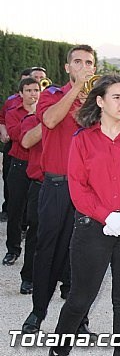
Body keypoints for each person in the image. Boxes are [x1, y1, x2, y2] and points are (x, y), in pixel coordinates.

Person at [48, 74, 120, 356]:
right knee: (80, 299)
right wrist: (106, 216)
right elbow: (78, 187)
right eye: (116, 97)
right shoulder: (82, 140)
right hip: (93, 227)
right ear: (100, 101)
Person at [22, 45, 97, 336]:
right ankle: (37, 312)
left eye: (88, 62)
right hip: (56, 185)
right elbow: (51, 120)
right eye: (77, 62)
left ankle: (79, 319)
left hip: (88, 190)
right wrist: (76, 89)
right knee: (47, 252)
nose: (83, 66)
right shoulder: (52, 94)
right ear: (68, 67)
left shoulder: (98, 99)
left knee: (84, 256)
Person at [3, 77, 40, 266]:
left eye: (36, 90)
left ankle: (34, 255)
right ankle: (12, 249)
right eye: (28, 90)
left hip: (38, 167)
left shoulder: (46, 113)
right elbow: (17, 136)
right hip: (19, 164)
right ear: (20, 94)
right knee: (15, 210)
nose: (33, 94)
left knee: (35, 215)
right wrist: (32, 115)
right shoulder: (12, 112)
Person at [18, 105, 44, 295]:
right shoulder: (31, 120)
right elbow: (26, 142)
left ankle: (67, 281)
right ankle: (29, 277)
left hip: (71, 183)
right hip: (40, 183)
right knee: (36, 233)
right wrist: (51, 120)